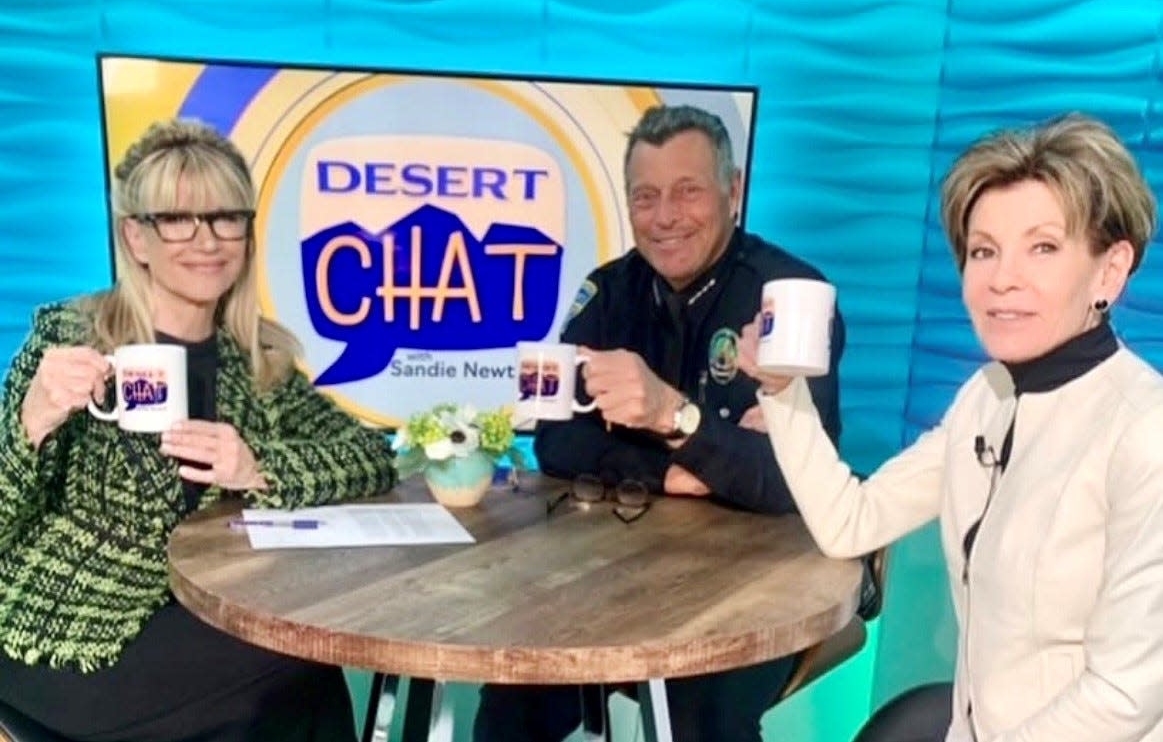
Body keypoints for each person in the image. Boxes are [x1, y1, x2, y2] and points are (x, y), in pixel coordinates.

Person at [742, 113, 1163, 741]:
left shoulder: (1143, 429)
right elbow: (851, 522)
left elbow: (1123, 697)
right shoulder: (987, 396)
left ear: (1109, 271)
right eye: (983, 250)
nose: (1001, 279)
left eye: (1043, 247)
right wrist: (783, 391)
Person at [0, 119, 398, 741]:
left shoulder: (257, 359)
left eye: (225, 218)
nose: (206, 240)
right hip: (71, 629)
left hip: (200, 609)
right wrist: (31, 420)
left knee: (297, 672)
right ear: (136, 237)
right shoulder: (70, 336)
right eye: (178, 219)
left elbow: (371, 456)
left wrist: (256, 466)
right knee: (295, 652)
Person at [474, 105, 845, 741]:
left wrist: (669, 418)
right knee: (514, 698)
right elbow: (556, 436)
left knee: (701, 715)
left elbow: (793, 484)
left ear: (732, 191)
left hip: (753, 585)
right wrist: (675, 467)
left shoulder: (791, 300)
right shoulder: (607, 291)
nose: (665, 216)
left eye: (688, 191)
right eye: (646, 196)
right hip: (613, 576)